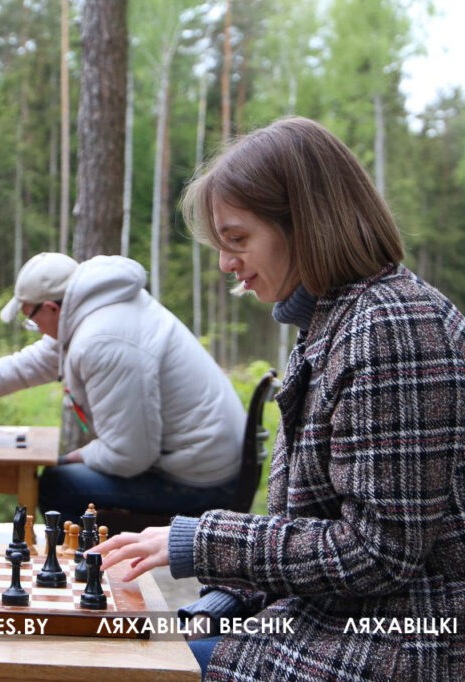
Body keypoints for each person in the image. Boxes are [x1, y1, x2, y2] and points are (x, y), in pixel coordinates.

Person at [91, 117, 465, 680]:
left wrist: (201, 540)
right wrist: (224, 605)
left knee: (124, 669)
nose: (226, 263)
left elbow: (377, 553)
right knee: (134, 650)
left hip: (403, 641)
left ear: (306, 224)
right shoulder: (333, 322)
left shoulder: (391, 327)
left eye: (237, 239)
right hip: (339, 620)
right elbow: (311, 527)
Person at [0, 252, 245, 527]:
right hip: (200, 462)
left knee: (58, 484)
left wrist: (75, 456)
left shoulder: (103, 341)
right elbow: (31, 363)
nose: (35, 328)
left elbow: (129, 456)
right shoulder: (100, 312)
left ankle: (80, 582)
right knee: (60, 473)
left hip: (201, 482)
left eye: (31, 319)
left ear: (52, 308)